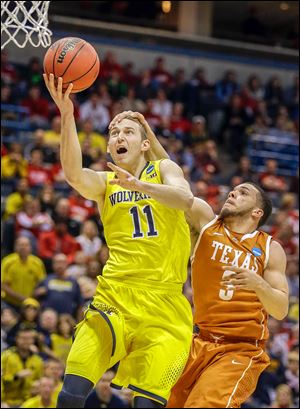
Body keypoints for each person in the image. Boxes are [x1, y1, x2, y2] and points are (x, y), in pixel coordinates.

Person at [43, 73, 194, 408]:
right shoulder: (106, 183)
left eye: (128, 131)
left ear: (144, 144)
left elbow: (184, 200)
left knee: (145, 405)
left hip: (164, 305)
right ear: (109, 146)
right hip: (115, 297)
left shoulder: (164, 169)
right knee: (69, 397)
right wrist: (67, 115)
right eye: (113, 133)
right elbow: (73, 174)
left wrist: (141, 187)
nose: (118, 137)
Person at [167, 182, 289, 408]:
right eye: (234, 189)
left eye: (244, 193)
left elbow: (281, 310)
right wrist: (149, 147)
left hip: (240, 348)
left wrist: (259, 285)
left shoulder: (270, 248)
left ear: (257, 212)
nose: (232, 192)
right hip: (199, 340)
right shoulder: (207, 225)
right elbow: (175, 186)